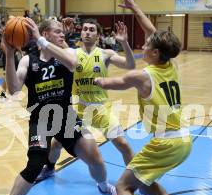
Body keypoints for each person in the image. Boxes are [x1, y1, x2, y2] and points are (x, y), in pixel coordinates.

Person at [94, 0, 197, 195]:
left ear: (153, 52)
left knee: (124, 186)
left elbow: (107, 83)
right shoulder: (169, 64)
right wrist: (134, 7)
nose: (142, 45)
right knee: (145, 181)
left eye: (146, 45)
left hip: (166, 141)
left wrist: (91, 76)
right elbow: (153, 31)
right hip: (182, 139)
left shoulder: (142, 75)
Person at [0, 19, 117, 195]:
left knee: (96, 159)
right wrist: (9, 53)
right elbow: (13, 89)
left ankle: (103, 186)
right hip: (40, 119)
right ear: (45, 33)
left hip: (65, 116)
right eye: (58, 31)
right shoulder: (28, 61)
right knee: (35, 164)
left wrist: (39, 40)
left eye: (62, 31)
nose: (63, 35)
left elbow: (72, 63)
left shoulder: (67, 53)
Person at [35, 18, 136, 182]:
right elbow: (52, 44)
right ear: (81, 33)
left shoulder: (106, 54)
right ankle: (50, 168)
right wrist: (63, 33)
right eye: (85, 29)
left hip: (102, 110)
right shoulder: (72, 53)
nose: (88, 32)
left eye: (92, 30)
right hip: (81, 109)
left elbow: (130, 65)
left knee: (123, 144)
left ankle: (136, 178)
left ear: (98, 35)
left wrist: (124, 43)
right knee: (56, 143)